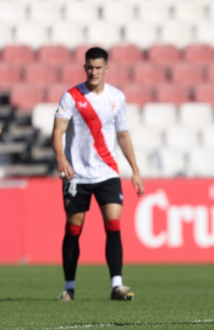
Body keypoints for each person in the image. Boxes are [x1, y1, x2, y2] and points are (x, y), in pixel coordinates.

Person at [52, 47, 144, 301]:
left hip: (107, 172)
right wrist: (61, 158)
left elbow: (123, 135)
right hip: (77, 174)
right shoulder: (71, 96)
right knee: (73, 228)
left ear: (106, 68)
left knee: (113, 224)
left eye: (98, 67)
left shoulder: (117, 97)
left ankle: (117, 285)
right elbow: (58, 130)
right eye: (90, 67)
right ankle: (69, 286)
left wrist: (135, 171)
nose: (93, 71)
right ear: (85, 68)